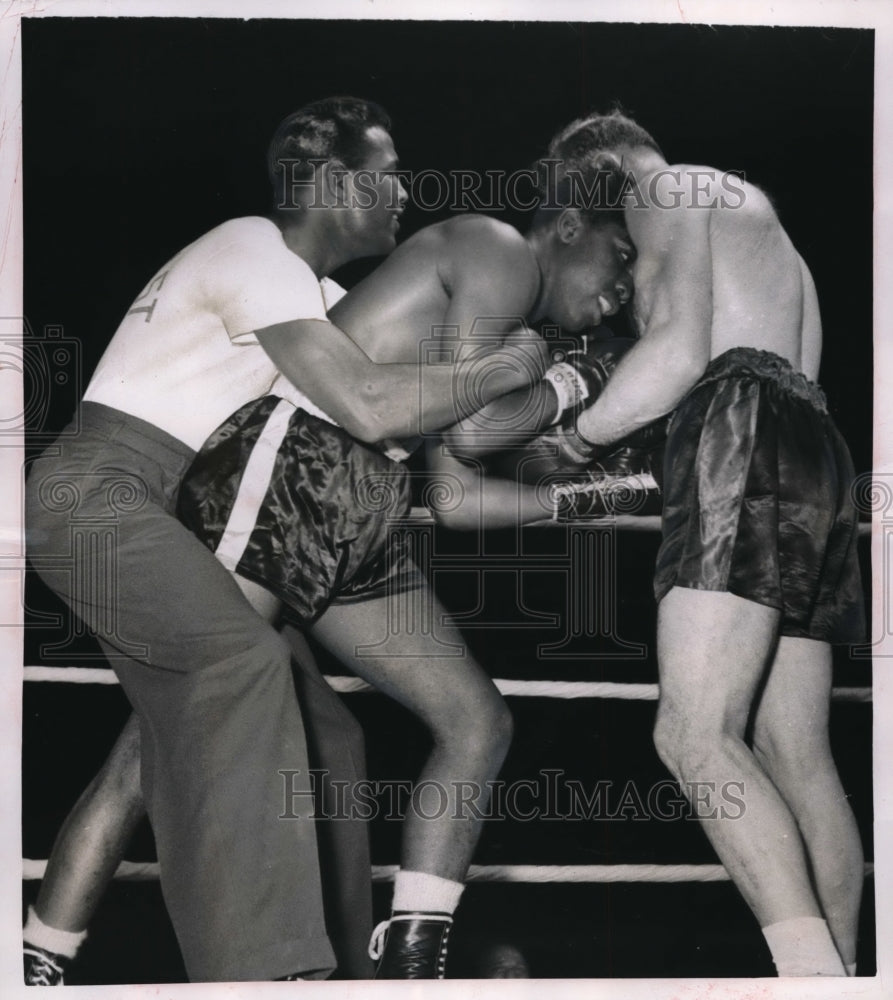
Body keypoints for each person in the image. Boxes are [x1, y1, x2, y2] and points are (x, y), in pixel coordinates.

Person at [25, 146, 637, 981]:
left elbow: (455, 497)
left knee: (476, 721)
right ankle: (40, 957)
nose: (623, 289)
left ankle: (411, 963)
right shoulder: (496, 248)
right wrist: (573, 387)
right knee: (169, 736)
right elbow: (473, 430)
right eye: (622, 253)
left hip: (365, 503)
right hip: (293, 476)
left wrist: (596, 494)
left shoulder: (507, 317)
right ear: (567, 226)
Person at [554, 111, 865, 977]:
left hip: (742, 434)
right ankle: (842, 973)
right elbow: (763, 367)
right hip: (816, 452)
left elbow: (679, 354)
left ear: (599, 168)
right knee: (793, 752)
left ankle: (810, 980)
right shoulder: (756, 218)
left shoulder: (662, 185)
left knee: (691, 735)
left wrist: (575, 438)